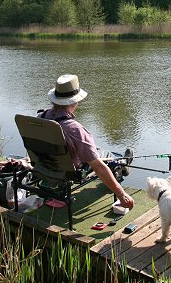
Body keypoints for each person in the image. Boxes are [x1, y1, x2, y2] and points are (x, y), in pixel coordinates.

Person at [37, 74, 134, 210]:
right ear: (74, 102)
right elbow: (98, 167)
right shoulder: (75, 129)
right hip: (73, 170)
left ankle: (122, 163)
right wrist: (122, 194)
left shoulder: (41, 118)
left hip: (47, 165)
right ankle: (123, 163)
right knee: (108, 155)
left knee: (95, 148)